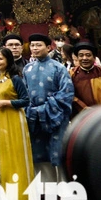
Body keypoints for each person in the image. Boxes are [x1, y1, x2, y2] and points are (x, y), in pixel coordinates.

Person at [22, 33, 74, 182]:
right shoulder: (27, 68)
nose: (35, 48)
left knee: (58, 153)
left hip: (55, 117)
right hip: (34, 118)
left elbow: (66, 93)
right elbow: (23, 94)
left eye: (38, 45)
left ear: (48, 47)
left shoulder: (59, 68)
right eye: (32, 45)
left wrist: (47, 108)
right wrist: (32, 111)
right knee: (39, 156)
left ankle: (64, 188)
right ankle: (47, 188)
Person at [0, 47, 33, 200]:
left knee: (17, 155)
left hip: (15, 119)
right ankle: (9, 195)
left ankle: (23, 196)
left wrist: (7, 102)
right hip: (1, 121)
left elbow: (26, 100)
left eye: (0, 59)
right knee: (5, 156)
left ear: (8, 60)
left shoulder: (15, 78)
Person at [71, 41, 101, 116]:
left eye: (88, 55)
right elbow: (68, 94)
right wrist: (83, 108)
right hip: (81, 116)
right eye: (81, 55)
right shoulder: (71, 74)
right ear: (77, 57)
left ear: (94, 57)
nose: (84, 58)